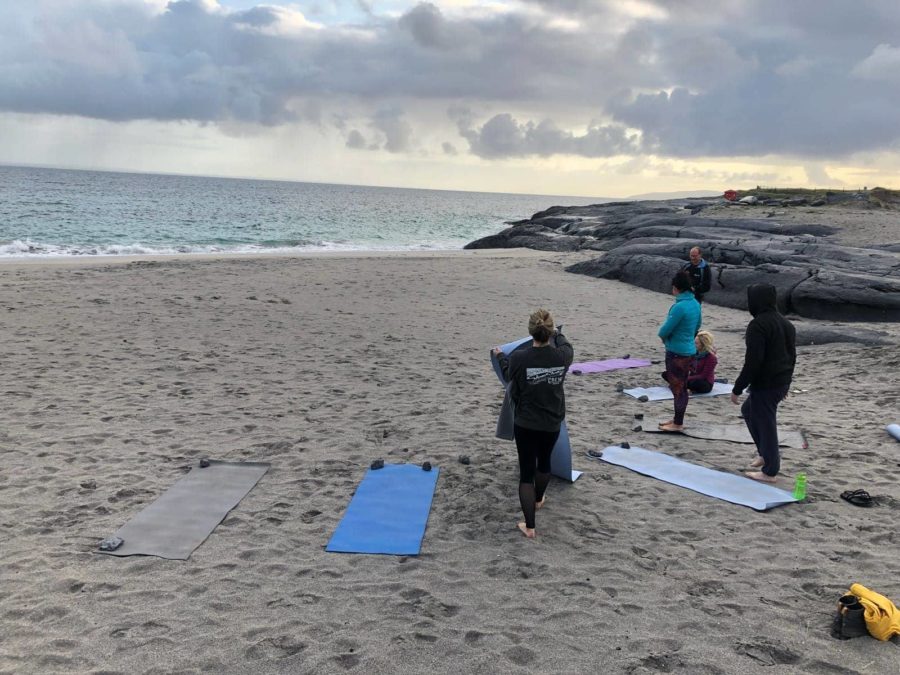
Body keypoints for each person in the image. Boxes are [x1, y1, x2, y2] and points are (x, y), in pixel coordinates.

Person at [492, 309, 573, 539]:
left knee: (526, 473)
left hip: (526, 423)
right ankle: (538, 499)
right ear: (549, 331)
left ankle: (530, 527)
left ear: (531, 332)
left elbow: (507, 375)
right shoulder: (563, 356)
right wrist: (557, 333)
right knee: (544, 462)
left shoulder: (520, 358)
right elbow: (565, 342)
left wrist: (500, 355)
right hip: (551, 421)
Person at [730, 284, 796, 483]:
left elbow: (753, 361)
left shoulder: (758, 325)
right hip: (779, 382)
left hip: (767, 384)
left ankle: (770, 470)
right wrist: (786, 383)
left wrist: (738, 388)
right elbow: (792, 357)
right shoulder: (786, 324)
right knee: (748, 410)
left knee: (766, 424)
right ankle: (765, 453)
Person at [657, 271, 702, 432]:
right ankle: (677, 419)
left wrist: (666, 340)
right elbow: (698, 326)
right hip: (689, 351)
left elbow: (664, 330)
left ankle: (678, 423)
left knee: (678, 389)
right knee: (681, 387)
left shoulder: (679, 307)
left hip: (677, 352)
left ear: (676, 288)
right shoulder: (695, 304)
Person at [686, 330, 717, 394]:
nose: (694, 345)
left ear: (703, 345)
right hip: (692, 378)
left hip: (704, 382)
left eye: (696, 343)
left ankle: (688, 389)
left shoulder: (711, 358)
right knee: (669, 375)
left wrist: (687, 378)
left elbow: (703, 376)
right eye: (694, 342)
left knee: (696, 383)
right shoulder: (694, 353)